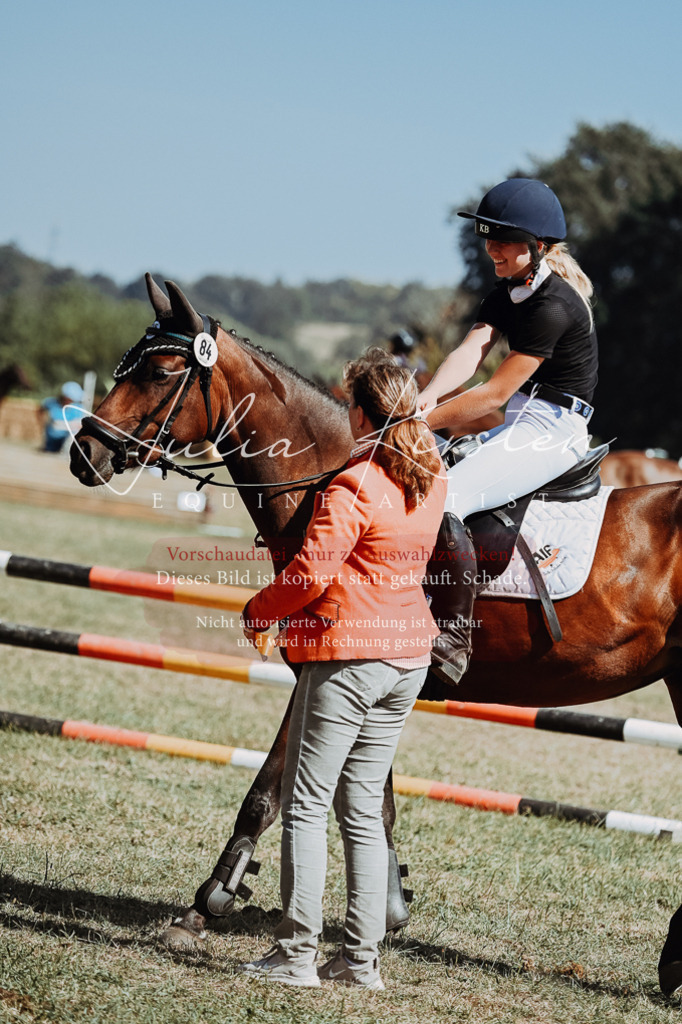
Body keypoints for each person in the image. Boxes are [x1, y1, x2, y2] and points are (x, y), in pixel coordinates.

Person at [238, 348, 446, 989]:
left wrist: (258, 609)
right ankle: (360, 961)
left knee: (305, 805)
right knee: (359, 809)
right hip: (408, 657)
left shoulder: (355, 485)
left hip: (351, 655)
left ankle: (297, 954)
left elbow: (307, 574)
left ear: (361, 413)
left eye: (348, 403)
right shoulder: (431, 478)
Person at [418, 178, 598, 685]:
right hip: (523, 416)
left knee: (446, 496)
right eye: (487, 237)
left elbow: (494, 391)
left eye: (502, 239)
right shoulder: (509, 291)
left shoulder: (554, 306)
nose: (490, 248)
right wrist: (425, 399)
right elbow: (471, 351)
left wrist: (416, 422)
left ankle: (452, 637)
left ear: (537, 247)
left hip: (553, 429)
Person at [39, 381, 84, 453]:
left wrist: (62, 425)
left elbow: (79, 425)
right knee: (50, 451)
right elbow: (40, 410)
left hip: (66, 440)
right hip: (51, 438)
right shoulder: (51, 403)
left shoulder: (77, 408)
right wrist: (42, 424)